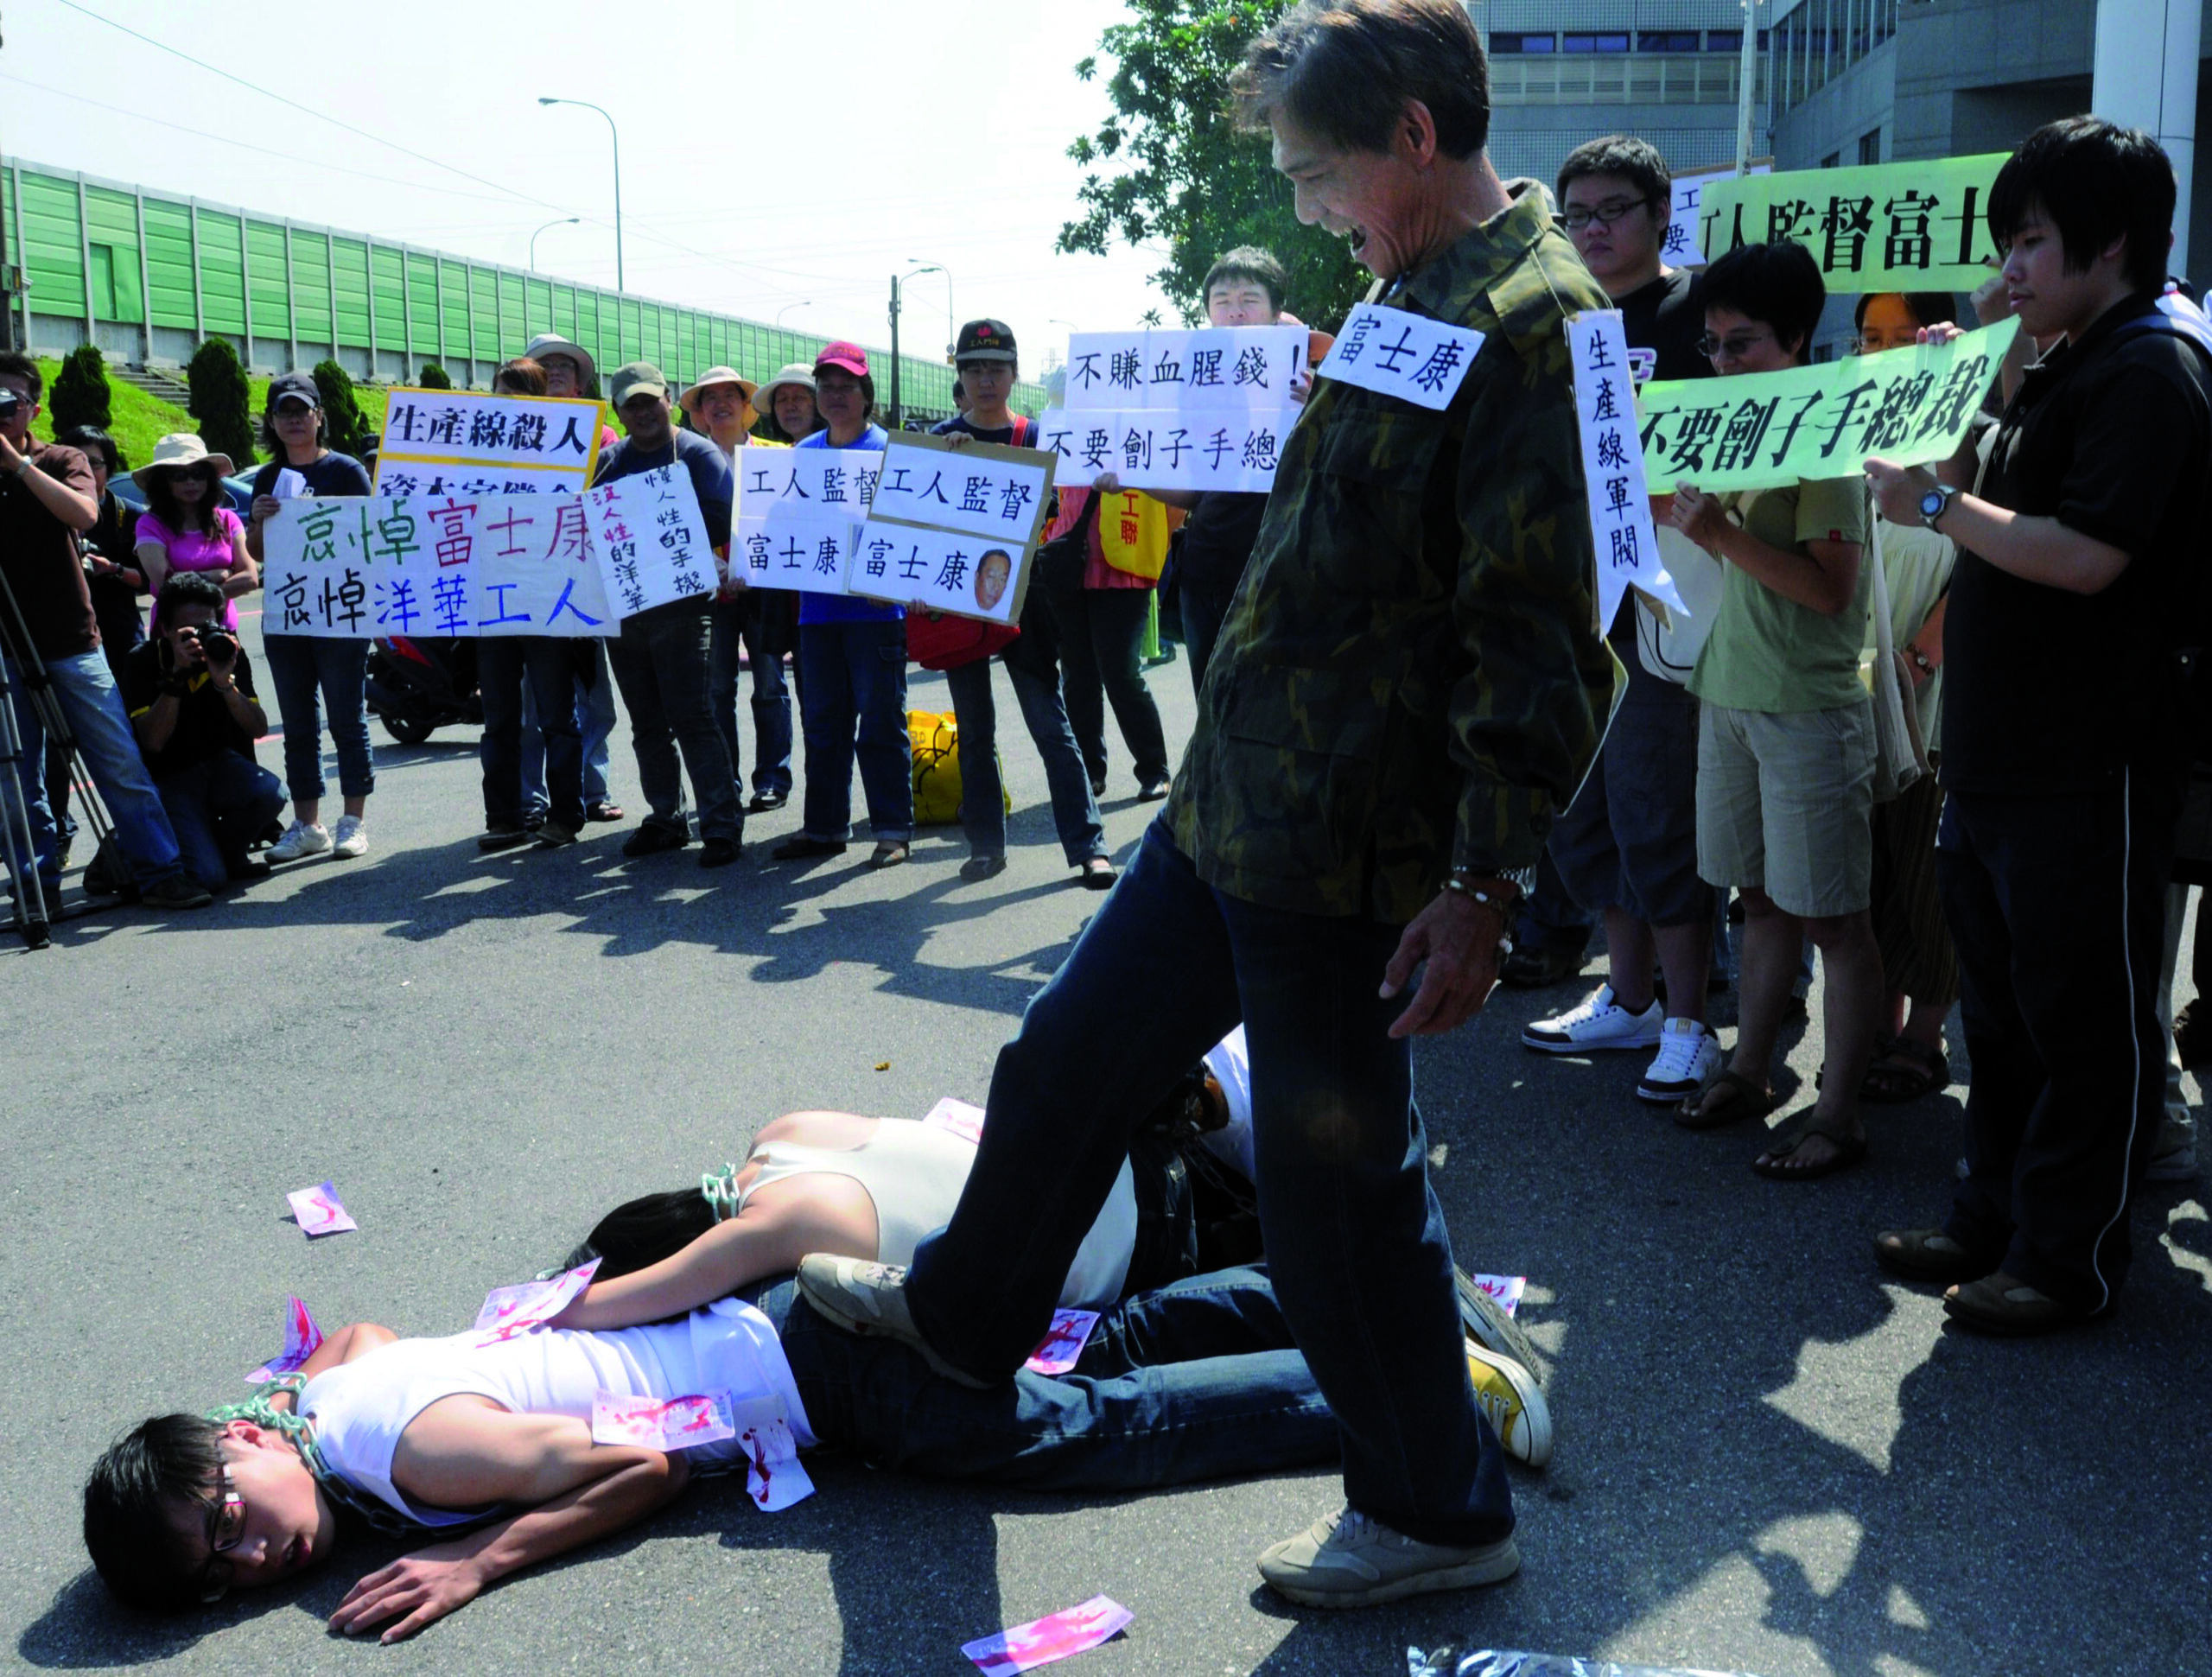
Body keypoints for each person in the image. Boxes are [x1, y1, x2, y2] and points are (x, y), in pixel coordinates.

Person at [794, 0, 1613, 1610]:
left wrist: (1485, 882)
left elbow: (1549, 635)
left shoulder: (1541, 324)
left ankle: (1437, 1514)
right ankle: (963, 1320)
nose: (1308, 211)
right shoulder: (1401, 292)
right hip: (1234, 797)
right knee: (1068, 1059)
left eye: (1318, 174)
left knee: (1338, 1189)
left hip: (1348, 845)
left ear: (1416, 138)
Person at [1866, 118, 2212, 1333]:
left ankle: (2066, 1261)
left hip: (2089, 758)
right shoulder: (2063, 360)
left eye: (2028, 243)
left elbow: (2081, 555)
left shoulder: (2147, 372)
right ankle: (1990, 1220)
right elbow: (1986, 484)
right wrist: (1977, 368)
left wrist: (1933, 505)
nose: (2007, 269)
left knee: (2080, 1020)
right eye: (2004, 244)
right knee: (2003, 1011)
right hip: (2001, 750)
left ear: (2110, 243)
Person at [1666, 241, 1878, 1178]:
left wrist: (1715, 530)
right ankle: (1750, 1069)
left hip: (1805, 708)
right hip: (1728, 695)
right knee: (1755, 901)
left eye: (1742, 342)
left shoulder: (1825, 438)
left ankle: (1839, 1111)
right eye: (1711, 344)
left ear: (1796, 338)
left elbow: (1830, 591)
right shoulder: (1725, 427)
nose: (1722, 362)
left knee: (1832, 919)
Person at [1522, 137, 1719, 1106]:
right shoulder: (1557, 315)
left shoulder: (1701, 313)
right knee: (1587, 811)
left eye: (1614, 210)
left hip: (1664, 606)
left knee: (1656, 809)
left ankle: (1690, 1020)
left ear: (1661, 213)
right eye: (1577, 215)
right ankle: (1629, 998)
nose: (1593, 230)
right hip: (1568, 602)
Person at [0, 353, 208, 911]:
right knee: (15, 779)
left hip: (71, 639)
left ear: (34, 409)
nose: (1, 410)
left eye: (10, 400)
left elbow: (84, 515)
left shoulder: (61, 458)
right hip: (5, 648)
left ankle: (160, 870)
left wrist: (17, 465)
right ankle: (36, 885)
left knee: (117, 758)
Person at [928, 323, 1114, 885]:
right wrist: (948, 465)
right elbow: (920, 525)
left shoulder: (1038, 436)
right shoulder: (936, 440)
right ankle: (986, 845)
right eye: (974, 369)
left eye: (996, 368)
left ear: (1014, 374)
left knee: (1050, 723)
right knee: (974, 729)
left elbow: (1053, 509)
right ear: (960, 376)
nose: (985, 380)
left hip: (1026, 598)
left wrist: (1105, 477)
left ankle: (1088, 845)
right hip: (958, 599)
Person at [1851, 292, 1969, 1106]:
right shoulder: (1842, 426)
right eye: (1871, 336)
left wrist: (1925, 653)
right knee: (1871, 866)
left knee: (1927, 871)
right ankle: (1876, 1024)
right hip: (1856, 681)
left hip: (1929, 687)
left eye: (1906, 334)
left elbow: (1985, 554)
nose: (1887, 350)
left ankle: (1925, 1037)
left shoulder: (1963, 435)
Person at [592, 363, 744, 867]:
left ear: (670, 401)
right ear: (619, 412)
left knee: (693, 716)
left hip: (684, 611)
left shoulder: (697, 454)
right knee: (647, 724)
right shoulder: (608, 463)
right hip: (627, 613)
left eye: (650, 401)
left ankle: (721, 823)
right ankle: (666, 817)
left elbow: (725, 519)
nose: (642, 412)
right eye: (631, 405)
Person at [772, 344, 914, 869]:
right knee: (824, 724)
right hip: (817, 614)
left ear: (866, 395)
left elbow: (911, 528)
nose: (835, 396)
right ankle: (825, 827)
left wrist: (893, 581)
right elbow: (777, 527)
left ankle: (893, 830)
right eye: (826, 387)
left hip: (876, 614)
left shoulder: (891, 452)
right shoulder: (803, 455)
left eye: (846, 386)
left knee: (880, 722)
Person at [241, 372, 378, 865]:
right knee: (298, 724)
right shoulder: (266, 477)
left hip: (341, 609)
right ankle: (308, 825)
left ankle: (353, 822)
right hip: (288, 611)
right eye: (285, 412)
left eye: (303, 411)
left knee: (347, 718)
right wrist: (261, 519)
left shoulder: (346, 470)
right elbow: (256, 553)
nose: (295, 420)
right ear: (273, 422)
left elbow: (371, 535)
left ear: (320, 417)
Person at [471, 358, 588, 854]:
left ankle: (565, 815)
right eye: (502, 395)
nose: (510, 405)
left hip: (548, 600)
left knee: (557, 716)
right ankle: (504, 818)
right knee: (499, 719)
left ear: (541, 401)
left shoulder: (564, 451)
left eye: (521, 396)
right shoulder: (469, 455)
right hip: (490, 600)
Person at [118, 574, 287, 892]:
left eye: (207, 627)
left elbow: (258, 728)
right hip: (169, 778)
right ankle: (119, 851)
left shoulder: (226, 652)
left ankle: (227, 852)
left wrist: (225, 684)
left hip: (217, 765)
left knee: (271, 792)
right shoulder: (143, 660)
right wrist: (177, 677)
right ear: (165, 628)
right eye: (189, 631)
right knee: (208, 879)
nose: (200, 639)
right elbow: (153, 742)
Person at [684, 365, 798, 815]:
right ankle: (724, 783)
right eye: (709, 398)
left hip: (766, 591)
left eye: (729, 395)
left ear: (745, 404)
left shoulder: (778, 456)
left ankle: (772, 778)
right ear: (700, 412)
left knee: (770, 685)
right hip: (710, 593)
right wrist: (712, 564)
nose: (720, 404)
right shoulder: (686, 462)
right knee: (715, 692)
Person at [522, 333, 622, 823]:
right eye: (546, 366)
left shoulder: (604, 436)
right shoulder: (510, 432)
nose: (557, 371)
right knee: (529, 702)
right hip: (522, 582)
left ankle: (592, 791)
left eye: (566, 365)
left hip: (584, 582)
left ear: (581, 384)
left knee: (593, 697)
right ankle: (530, 801)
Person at [43, 424, 143, 870]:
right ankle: (58, 833)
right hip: (67, 641)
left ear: (108, 467)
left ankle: (138, 840)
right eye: (77, 460)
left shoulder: (129, 515)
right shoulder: (49, 507)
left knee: (125, 745)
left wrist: (114, 570)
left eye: (95, 463)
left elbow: (153, 580)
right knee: (56, 750)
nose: (85, 470)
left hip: (120, 639)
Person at [130, 435, 255, 634]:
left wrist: (195, 592)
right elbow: (167, 586)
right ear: (163, 482)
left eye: (198, 473)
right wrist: (220, 574)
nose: (190, 482)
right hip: (175, 638)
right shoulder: (150, 524)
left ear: (209, 478)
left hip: (223, 636)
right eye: (179, 475)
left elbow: (250, 578)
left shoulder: (228, 520)